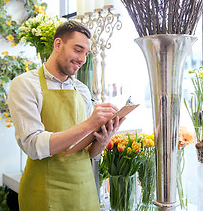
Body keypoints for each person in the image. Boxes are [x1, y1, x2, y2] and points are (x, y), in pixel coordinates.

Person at [8, 20, 125, 211]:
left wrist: (102, 140)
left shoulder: (82, 90)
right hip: (44, 192)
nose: (82, 59)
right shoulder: (25, 85)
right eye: (78, 50)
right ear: (58, 44)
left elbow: (90, 153)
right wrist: (89, 124)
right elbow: (33, 145)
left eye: (86, 53)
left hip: (84, 192)